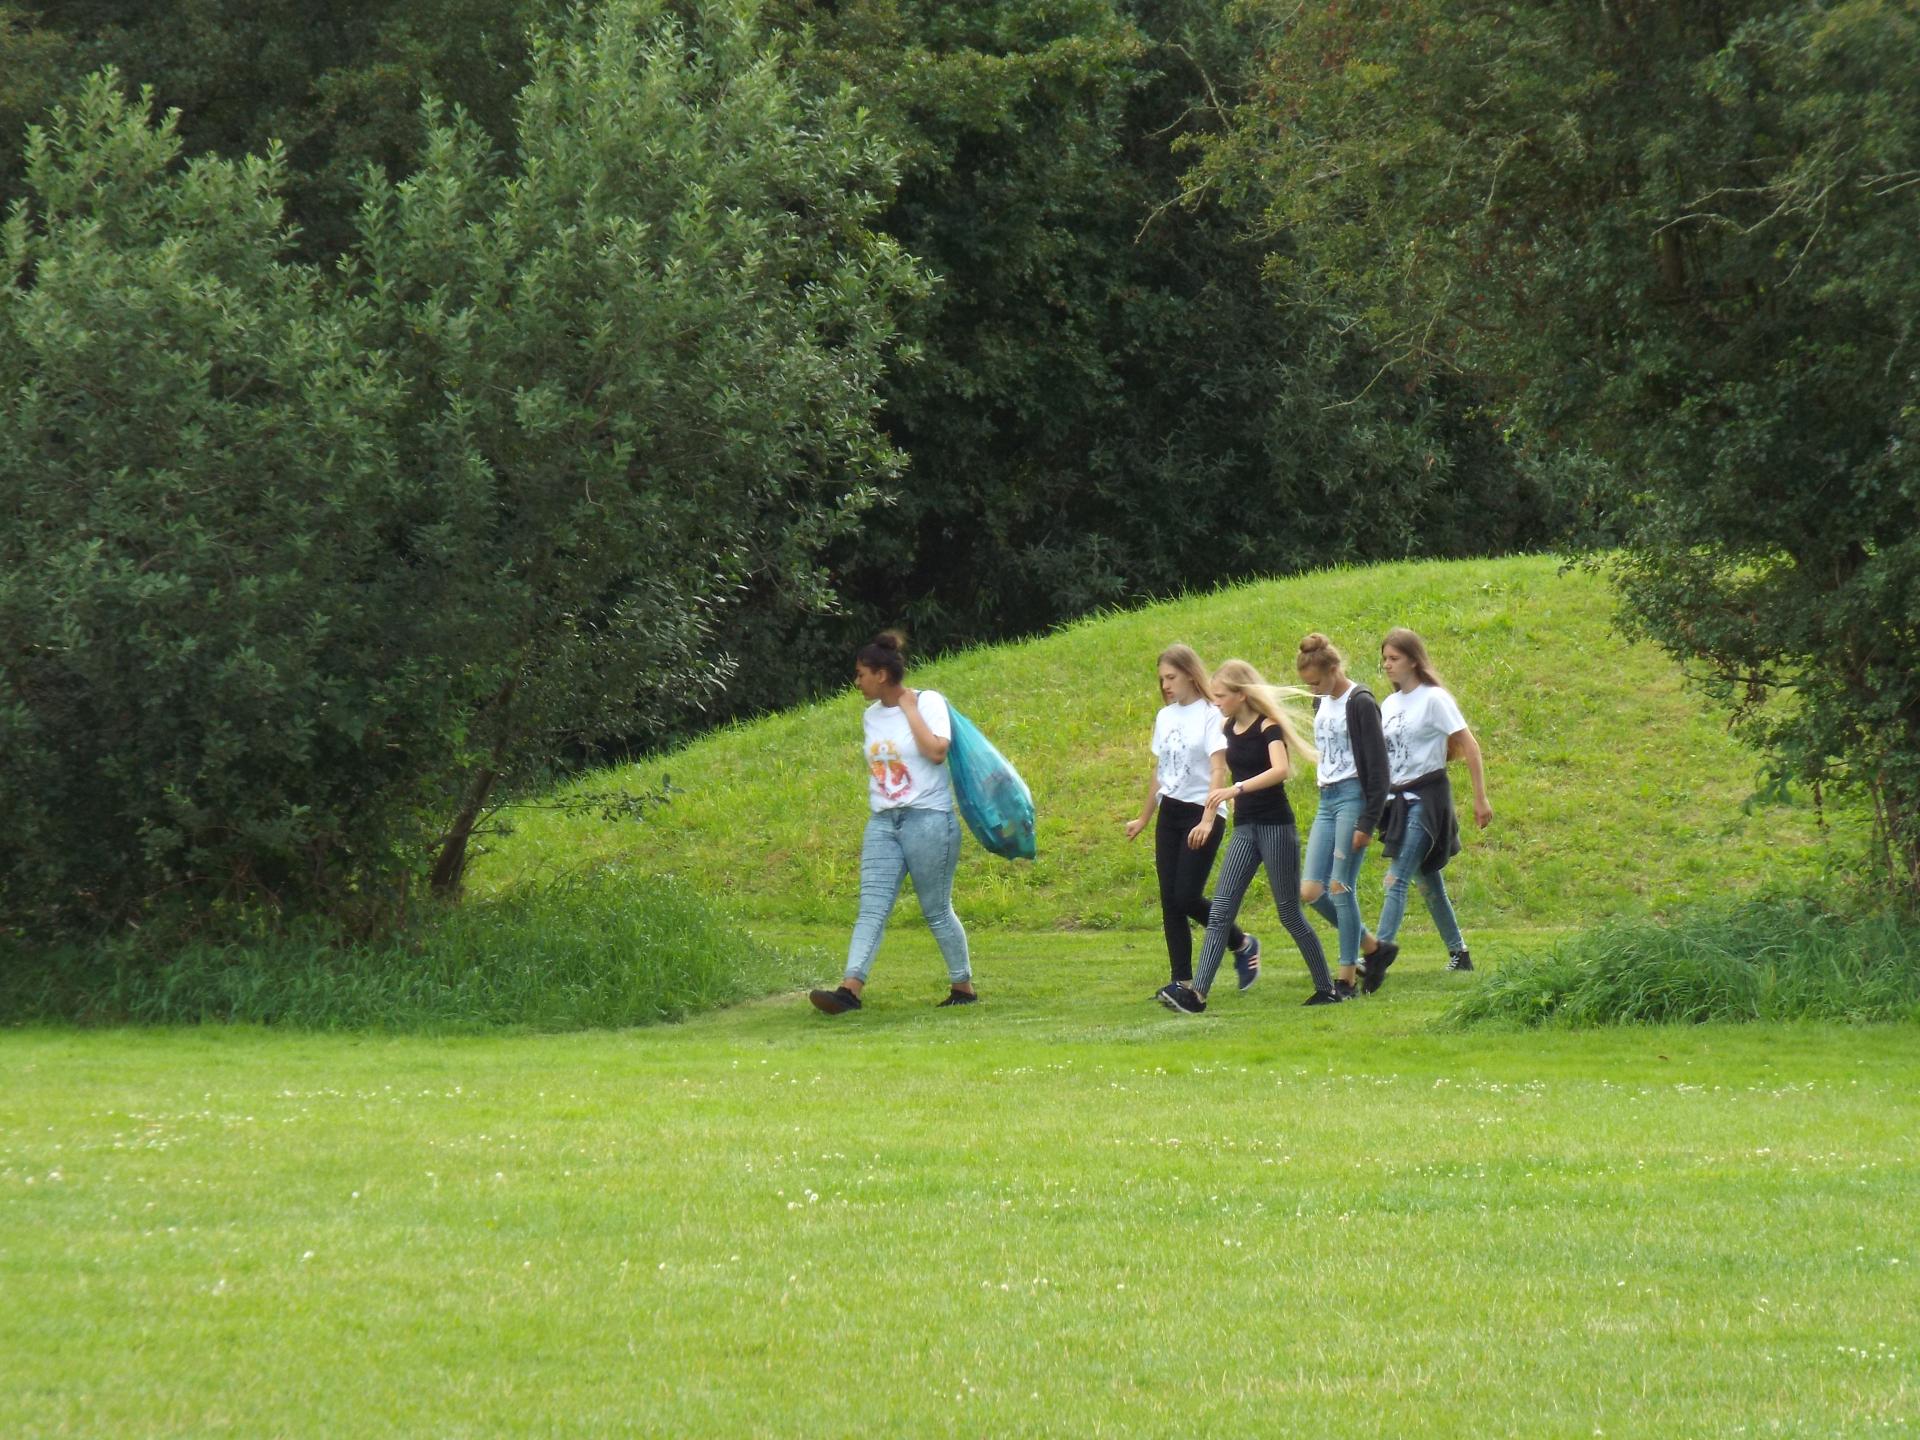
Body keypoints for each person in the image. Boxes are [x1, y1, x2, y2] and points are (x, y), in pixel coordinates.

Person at [809, 633, 975, 1014]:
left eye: (861, 674)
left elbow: (936, 752)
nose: (857, 681)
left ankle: (963, 986)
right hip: (884, 821)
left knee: (936, 909)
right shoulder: (870, 716)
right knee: (872, 908)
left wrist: (909, 708)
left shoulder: (929, 702)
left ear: (881, 675)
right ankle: (849, 991)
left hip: (929, 819)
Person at [1166, 660, 1339, 1012]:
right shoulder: (1227, 728)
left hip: (1275, 828)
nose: (1216, 702)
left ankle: (1327, 988)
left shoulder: (1268, 727)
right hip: (1245, 829)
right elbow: (1215, 765)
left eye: (1221, 696)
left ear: (1241, 695)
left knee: (1289, 913)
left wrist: (1236, 789)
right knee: (1220, 912)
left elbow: (1280, 769)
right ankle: (1197, 995)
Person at [1124, 645, 1260, 1007]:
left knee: (1186, 895)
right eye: (1161, 679)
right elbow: (1161, 772)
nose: (1166, 685)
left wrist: (1207, 816)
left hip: (1202, 811)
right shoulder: (1165, 716)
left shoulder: (1211, 714)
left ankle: (1242, 943)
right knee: (1170, 900)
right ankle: (1180, 979)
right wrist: (1144, 817)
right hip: (1170, 812)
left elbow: (1219, 768)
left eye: (1171, 677)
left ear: (1189, 673)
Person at [1363, 627, 1494, 992]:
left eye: (1394, 658)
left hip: (1428, 799)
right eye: (1384, 658)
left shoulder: (1434, 699)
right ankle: (1459, 952)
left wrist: (1481, 798)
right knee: (1427, 879)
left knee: (1396, 877)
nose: (1387, 665)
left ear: (1414, 661)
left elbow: (1470, 745)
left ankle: (1377, 953)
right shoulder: (1390, 705)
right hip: (1398, 802)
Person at [1294, 633, 1394, 999]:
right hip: (1327, 799)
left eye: (1317, 682)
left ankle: (1346, 979)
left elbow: (1380, 770)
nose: (1314, 690)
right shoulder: (1320, 702)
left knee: (1340, 887)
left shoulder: (1361, 702)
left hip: (1353, 797)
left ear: (1334, 669)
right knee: (1310, 890)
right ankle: (1373, 948)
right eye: (1309, 685)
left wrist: (1368, 822)